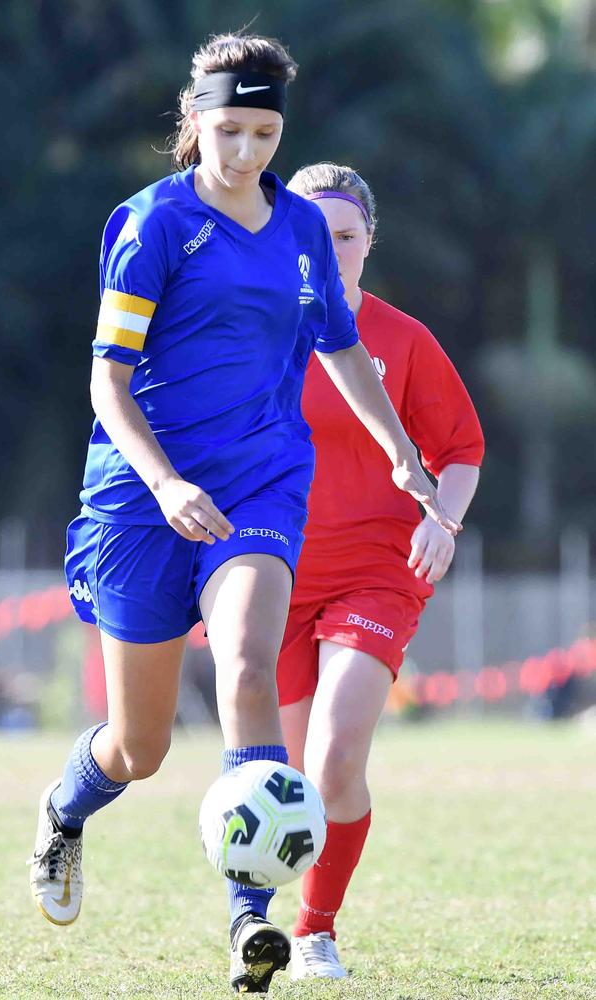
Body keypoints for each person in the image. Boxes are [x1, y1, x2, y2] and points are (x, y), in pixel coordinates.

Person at [27, 36, 457, 995]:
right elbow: (106, 383)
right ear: (195, 119)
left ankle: (247, 921)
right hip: (143, 499)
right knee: (139, 748)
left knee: (249, 665)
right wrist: (169, 484)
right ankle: (63, 810)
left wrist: (398, 449)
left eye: (266, 132)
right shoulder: (151, 226)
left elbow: (341, 348)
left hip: (260, 485)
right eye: (230, 130)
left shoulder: (302, 226)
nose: (248, 152)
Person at [277, 162, 485, 980]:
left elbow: (461, 450)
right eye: (313, 237)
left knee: (335, 762)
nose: (330, 252)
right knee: (293, 785)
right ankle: (258, 916)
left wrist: (444, 518)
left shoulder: (401, 340)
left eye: (347, 237)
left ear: (369, 242)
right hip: (273, 575)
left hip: (378, 573)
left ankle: (314, 932)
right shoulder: (257, 331)